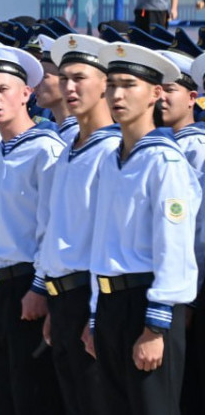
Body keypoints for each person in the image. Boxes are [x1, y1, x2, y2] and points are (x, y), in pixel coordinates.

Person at [89, 41, 200, 414]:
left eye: (129, 85)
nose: (117, 95)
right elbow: (101, 242)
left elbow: (175, 246)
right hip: (109, 302)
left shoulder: (165, 162)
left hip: (146, 303)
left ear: (155, 93)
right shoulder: (110, 160)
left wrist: (156, 327)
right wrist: (94, 314)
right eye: (112, 84)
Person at [0, 44, 65, 415]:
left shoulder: (45, 150)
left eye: (3, 89)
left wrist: (40, 289)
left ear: (26, 93)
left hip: (27, 288)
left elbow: (52, 227)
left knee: (30, 396)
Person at [37, 34, 117, 415]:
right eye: (64, 77)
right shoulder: (70, 148)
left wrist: (96, 315)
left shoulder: (113, 151)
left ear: (106, 83)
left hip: (92, 298)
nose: (69, 87)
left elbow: (110, 240)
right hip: (64, 298)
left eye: (80, 78)